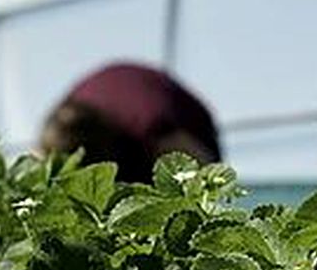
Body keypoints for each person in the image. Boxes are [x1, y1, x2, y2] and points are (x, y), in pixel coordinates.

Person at [39, 62, 221, 183]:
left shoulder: (153, 129)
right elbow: (40, 160)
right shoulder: (65, 118)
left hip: (187, 133)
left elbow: (204, 173)